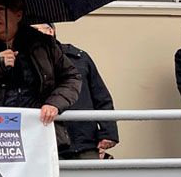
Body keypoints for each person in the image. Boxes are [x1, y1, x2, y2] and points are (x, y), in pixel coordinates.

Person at [0, 0, 79, 125]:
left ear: (18, 14)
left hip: (39, 126)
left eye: (0, 9)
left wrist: (54, 104)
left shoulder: (43, 44)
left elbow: (72, 77)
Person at [33, 23, 118, 159]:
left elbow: (101, 97)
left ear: (50, 31)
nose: (31, 35)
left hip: (84, 140)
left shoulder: (78, 57)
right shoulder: (24, 63)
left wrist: (108, 133)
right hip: (47, 142)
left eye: (36, 30)